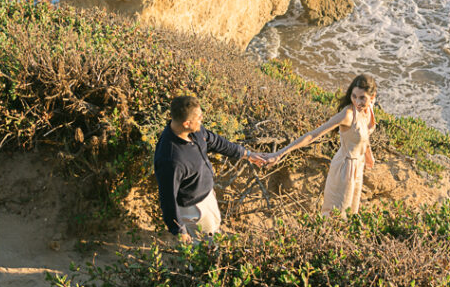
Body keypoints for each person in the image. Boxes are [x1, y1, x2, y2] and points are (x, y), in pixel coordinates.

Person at [154, 94, 265, 243]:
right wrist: (179, 230)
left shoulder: (195, 131)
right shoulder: (171, 159)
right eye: (199, 117)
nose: (202, 120)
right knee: (205, 245)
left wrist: (247, 154)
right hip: (194, 208)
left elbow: (217, 142)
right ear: (186, 123)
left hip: (206, 196)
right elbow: (167, 197)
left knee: (213, 230)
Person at [269, 74, 377, 216]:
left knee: (351, 215)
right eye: (354, 96)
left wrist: (368, 154)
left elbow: (364, 133)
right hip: (344, 169)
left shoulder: (368, 109)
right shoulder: (348, 114)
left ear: (372, 97)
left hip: (358, 167)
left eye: (362, 97)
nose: (357, 102)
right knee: (336, 216)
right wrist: (279, 153)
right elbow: (313, 135)